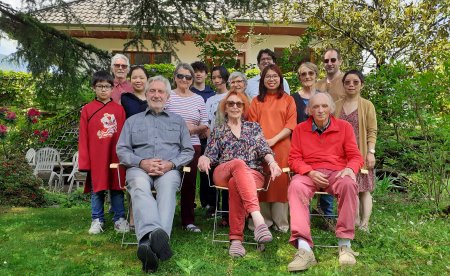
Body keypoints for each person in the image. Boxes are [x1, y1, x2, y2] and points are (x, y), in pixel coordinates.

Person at [116, 75, 194, 273]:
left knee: (167, 188)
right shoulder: (132, 121)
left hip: (168, 170)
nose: (156, 95)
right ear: (147, 94)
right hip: (138, 168)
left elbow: (188, 151)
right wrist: (141, 162)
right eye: (152, 91)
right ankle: (157, 241)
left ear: (168, 96)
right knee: (140, 187)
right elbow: (122, 150)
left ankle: (146, 244)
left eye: (161, 91)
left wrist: (171, 164)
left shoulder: (178, 122)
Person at [198, 90, 282, 257]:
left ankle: (236, 240)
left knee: (235, 183)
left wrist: (272, 162)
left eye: (239, 104)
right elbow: (210, 155)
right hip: (224, 172)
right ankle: (258, 220)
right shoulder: (219, 130)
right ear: (225, 108)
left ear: (244, 108)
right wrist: (204, 158)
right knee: (238, 163)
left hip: (252, 175)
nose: (235, 106)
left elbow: (264, 149)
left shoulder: (253, 127)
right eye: (231, 103)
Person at [287, 92, 364, 271]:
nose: (320, 110)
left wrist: (350, 169)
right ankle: (304, 249)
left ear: (331, 108)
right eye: (315, 106)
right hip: (310, 173)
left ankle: (345, 245)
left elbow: (355, 156)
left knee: (349, 184)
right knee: (295, 186)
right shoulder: (300, 129)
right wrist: (309, 172)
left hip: (336, 173)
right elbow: (294, 159)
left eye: (324, 106)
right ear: (309, 110)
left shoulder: (344, 127)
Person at [78, 70, 129, 235]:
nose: (103, 90)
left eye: (107, 86)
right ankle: (97, 219)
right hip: (96, 158)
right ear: (94, 88)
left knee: (117, 188)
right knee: (97, 189)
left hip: (114, 156)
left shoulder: (119, 110)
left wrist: (124, 157)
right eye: (99, 86)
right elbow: (83, 137)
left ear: (112, 88)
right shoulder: (87, 109)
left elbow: (123, 135)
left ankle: (119, 218)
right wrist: (85, 162)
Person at [248, 64, 297, 233]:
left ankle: (281, 223)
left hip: (283, 146)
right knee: (262, 181)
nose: (271, 79)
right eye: (268, 76)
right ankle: (262, 222)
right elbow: (252, 126)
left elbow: (291, 125)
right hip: (260, 147)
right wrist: (263, 143)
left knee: (281, 182)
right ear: (262, 80)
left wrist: (273, 140)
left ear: (280, 79)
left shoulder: (288, 100)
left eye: (275, 76)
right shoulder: (256, 101)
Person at [165, 63, 208, 233]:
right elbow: (159, 120)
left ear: (192, 79)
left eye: (188, 77)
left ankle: (188, 220)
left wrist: (193, 129)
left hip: (192, 146)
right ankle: (165, 217)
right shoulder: (168, 96)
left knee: (189, 183)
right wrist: (180, 127)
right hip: (169, 147)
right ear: (175, 77)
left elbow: (204, 124)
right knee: (167, 180)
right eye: (180, 76)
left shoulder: (198, 99)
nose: (184, 79)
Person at [292, 62, 335, 229]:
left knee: (327, 171)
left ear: (316, 75)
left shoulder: (323, 96)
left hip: (324, 144)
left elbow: (332, 119)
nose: (307, 77)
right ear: (299, 78)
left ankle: (328, 215)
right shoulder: (293, 98)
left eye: (310, 73)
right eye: (303, 74)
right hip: (301, 145)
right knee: (303, 180)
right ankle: (304, 216)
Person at [335, 70, 377, 232]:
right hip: (342, 155)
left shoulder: (367, 105)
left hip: (362, 152)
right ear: (343, 85)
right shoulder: (337, 104)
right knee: (350, 188)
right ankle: (354, 221)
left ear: (362, 85)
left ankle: (365, 224)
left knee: (364, 189)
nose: (351, 85)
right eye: (347, 82)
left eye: (355, 82)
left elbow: (372, 130)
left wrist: (370, 152)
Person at [201, 65, 230, 219]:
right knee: (210, 174)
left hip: (227, 142)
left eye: (219, 77)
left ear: (225, 78)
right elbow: (206, 120)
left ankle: (226, 210)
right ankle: (212, 206)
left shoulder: (230, 96)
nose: (217, 80)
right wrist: (209, 135)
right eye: (213, 77)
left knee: (225, 174)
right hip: (212, 141)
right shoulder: (210, 99)